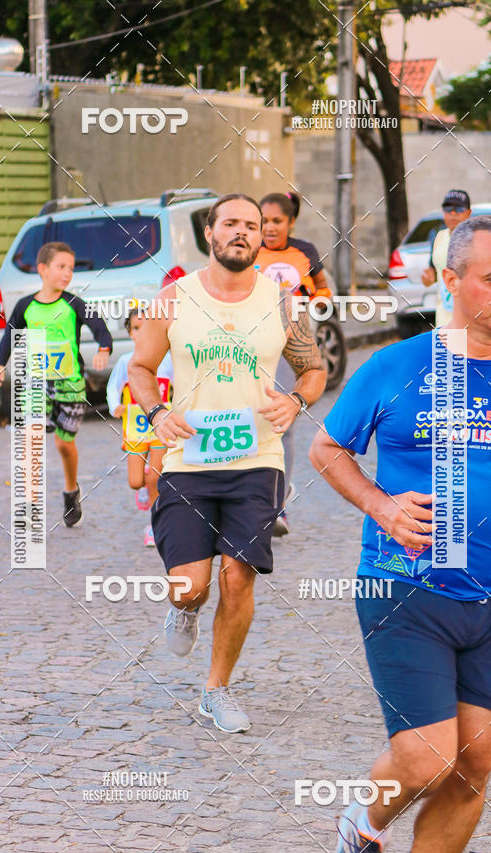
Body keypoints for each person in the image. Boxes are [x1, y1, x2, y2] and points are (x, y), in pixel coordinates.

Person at [310, 215, 491, 853]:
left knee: (473, 767)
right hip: (403, 588)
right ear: (451, 280)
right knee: (428, 755)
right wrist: (381, 505)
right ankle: (362, 824)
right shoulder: (396, 365)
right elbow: (327, 449)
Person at [128, 193, 326, 733]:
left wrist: (297, 399)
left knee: (239, 576)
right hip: (187, 459)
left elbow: (313, 369)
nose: (242, 231)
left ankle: (217, 689)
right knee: (190, 583)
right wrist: (156, 411)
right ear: (210, 233)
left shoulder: (283, 303)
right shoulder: (172, 299)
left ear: (264, 236)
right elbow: (141, 368)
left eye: (253, 225)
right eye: (231, 223)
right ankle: (185, 607)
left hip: (257, 458)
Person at [0, 241, 112, 527]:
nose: (67, 273)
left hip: (70, 385)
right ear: (43, 269)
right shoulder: (25, 306)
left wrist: (104, 347)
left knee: (63, 444)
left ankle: (71, 491)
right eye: (61, 267)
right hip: (36, 383)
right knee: (31, 439)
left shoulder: (74, 304)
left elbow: (98, 326)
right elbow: (9, 336)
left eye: (70, 268)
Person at [256, 191, 332, 535]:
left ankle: (278, 506)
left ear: (290, 223)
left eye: (277, 221)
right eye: (264, 221)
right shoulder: (248, 252)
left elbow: (323, 290)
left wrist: (315, 306)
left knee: (281, 422)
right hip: (251, 347)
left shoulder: (304, 252)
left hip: (290, 347)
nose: (269, 228)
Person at [107, 305, 173, 547]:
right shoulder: (126, 362)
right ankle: (143, 484)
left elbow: (182, 386)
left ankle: (154, 526)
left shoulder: (167, 360)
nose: (141, 332)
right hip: (135, 428)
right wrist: (116, 406)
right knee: (136, 481)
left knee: (156, 478)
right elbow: (113, 387)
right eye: (136, 328)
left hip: (160, 428)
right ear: (129, 332)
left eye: (146, 327)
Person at [421, 189, 472, 328]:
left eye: (459, 208)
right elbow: (432, 273)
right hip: (443, 317)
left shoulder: (476, 239)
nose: (453, 213)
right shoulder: (438, 236)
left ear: (469, 213)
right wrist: (427, 278)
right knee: (443, 350)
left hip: (470, 318)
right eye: (448, 208)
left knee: (464, 350)